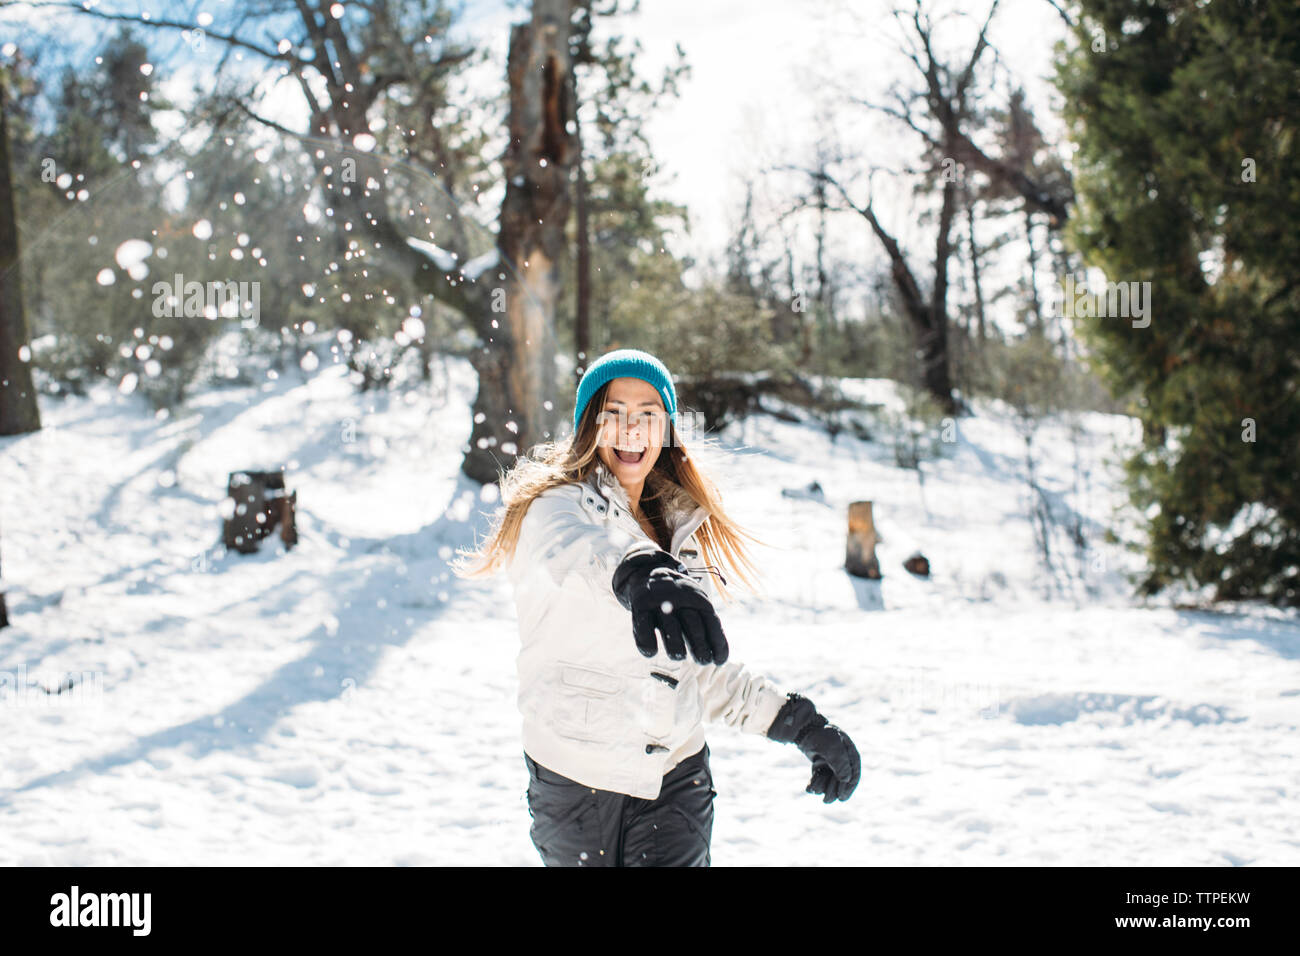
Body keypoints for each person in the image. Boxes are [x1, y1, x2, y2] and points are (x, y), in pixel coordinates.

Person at [452, 348, 860, 866]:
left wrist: (797, 722)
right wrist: (638, 569)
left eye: (648, 415)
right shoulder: (553, 507)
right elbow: (578, 554)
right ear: (589, 425)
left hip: (677, 779)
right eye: (615, 414)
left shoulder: (679, 525)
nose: (631, 430)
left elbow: (693, 671)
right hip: (577, 783)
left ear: (665, 427)